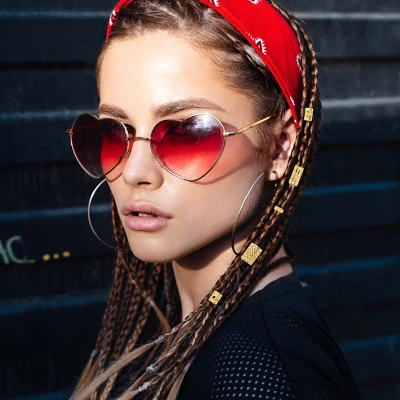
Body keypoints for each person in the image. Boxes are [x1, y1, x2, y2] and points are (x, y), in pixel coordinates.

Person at [67, 0, 362, 399]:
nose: (134, 172)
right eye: (114, 133)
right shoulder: (191, 329)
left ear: (279, 148)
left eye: (187, 134)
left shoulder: (256, 377)